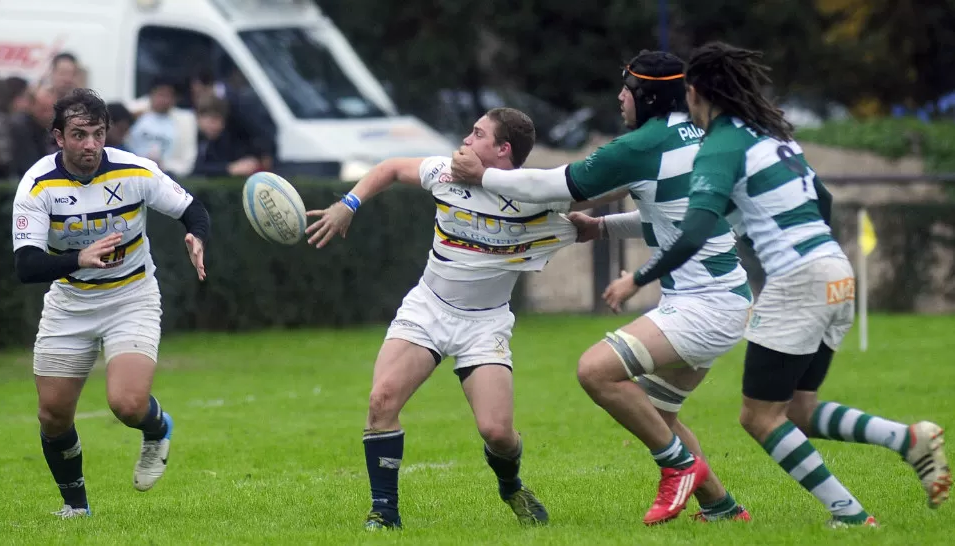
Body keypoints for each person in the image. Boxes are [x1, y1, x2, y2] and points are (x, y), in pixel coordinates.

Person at [609, 41, 951, 527]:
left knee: (759, 417)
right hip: (836, 273)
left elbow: (697, 228)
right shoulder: (771, 137)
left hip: (799, 282)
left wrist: (636, 279)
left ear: (698, 92)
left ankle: (850, 516)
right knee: (799, 410)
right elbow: (824, 198)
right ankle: (907, 440)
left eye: (687, 92)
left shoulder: (719, 146)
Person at [451, 50, 751, 525]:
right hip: (726, 295)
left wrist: (482, 175)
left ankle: (677, 469)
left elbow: (556, 185)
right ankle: (722, 509)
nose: (619, 98)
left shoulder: (639, 147)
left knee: (595, 371)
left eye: (626, 89)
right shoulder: (697, 133)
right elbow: (670, 216)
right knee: (656, 414)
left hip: (704, 306)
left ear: (646, 96)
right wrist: (603, 227)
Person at [306, 107, 609, 530]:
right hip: (428, 309)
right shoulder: (445, 173)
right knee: (382, 401)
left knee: (498, 434)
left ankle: (511, 486)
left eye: (478, 134)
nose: (466, 139)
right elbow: (392, 167)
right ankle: (384, 513)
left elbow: (606, 189)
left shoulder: (538, 195)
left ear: (503, 150)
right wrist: (348, 203)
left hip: (485, 325)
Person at [11, 88, 210, 518]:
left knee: (127, 404)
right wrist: (77, 259)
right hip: (70, 304)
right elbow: (26, 266)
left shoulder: (135, 171)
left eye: (98, 134)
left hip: (131, 297)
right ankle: (76, 508)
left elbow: (193, 209)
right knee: (52, 416)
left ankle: (158, 429)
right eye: (79, 134)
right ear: (58, 137)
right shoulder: (37, 185)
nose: (90, 145)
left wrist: (197, 236)